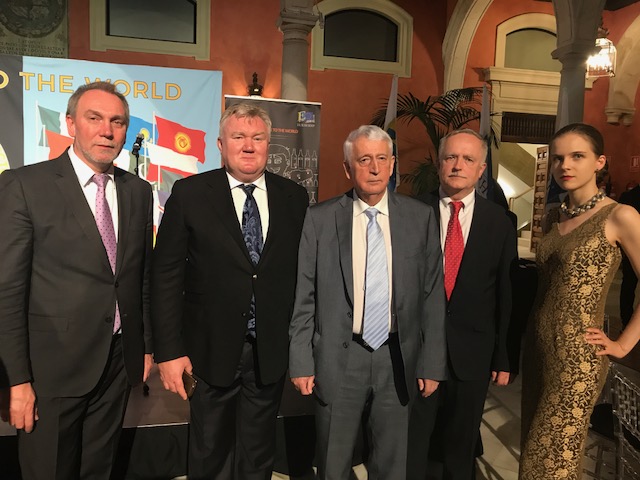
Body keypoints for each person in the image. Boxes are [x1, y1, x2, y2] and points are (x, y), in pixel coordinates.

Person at [0, 81, 154, 479]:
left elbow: (139, 278)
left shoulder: (138, 191)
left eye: (117, 122)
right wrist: (17, 379)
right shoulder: (24, 186)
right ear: (70, 124)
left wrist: (145, 346)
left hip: (116, 364)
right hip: (50, 372)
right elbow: (8, 291)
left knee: (99, 470)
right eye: (94, 118)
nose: (107, 131)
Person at [150, 103, 309, 479]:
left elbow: (302, 277)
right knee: (210, 453)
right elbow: (165, 276)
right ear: (221, 144)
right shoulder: (190, 193)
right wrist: (168, 351)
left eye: (257, 138)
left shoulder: (294, 197)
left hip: (269, 351)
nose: (248, 146)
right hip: (208, 351)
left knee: (258, 454)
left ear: (268, 144)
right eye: (238, 137)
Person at [289, 125, 446, 480]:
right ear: (348, 168)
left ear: (392, 164)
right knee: (333, 462)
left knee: (392, 464)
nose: (374, 168)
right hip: (339, 358)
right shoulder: (320, 218)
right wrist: (300, 361)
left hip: (397, 357)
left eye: (381, 159)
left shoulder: (420, 218)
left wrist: (432, 363)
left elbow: (432, 295)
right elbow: (304, 295)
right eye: (363, 160)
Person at [520, 123, 640, 480]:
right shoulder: (554, 217)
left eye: (577, 156)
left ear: (599, 162)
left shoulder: (619, 215)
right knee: (534, 451)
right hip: (537, 349)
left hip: (577, 360)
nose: (565, 166)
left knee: (548, 463)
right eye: (558, 158)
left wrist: (623, 344)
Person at [406, 129, 519, 480]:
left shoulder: (500, 222)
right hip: (417, 352)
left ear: (481, 169)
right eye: (451, 157)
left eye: (468, 159)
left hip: (472, 354)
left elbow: (505, 293)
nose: (458, 165)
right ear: (439, 164)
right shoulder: (409, 212)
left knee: (461, 449)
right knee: (413, 446)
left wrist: (504, 357)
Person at [618, 183, 640, 327]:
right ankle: (627, 323)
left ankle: (626, 322)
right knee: (628, 286)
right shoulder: (628, 197)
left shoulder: (628, 196)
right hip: (630, 248)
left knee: (628, 286)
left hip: (628, 249)